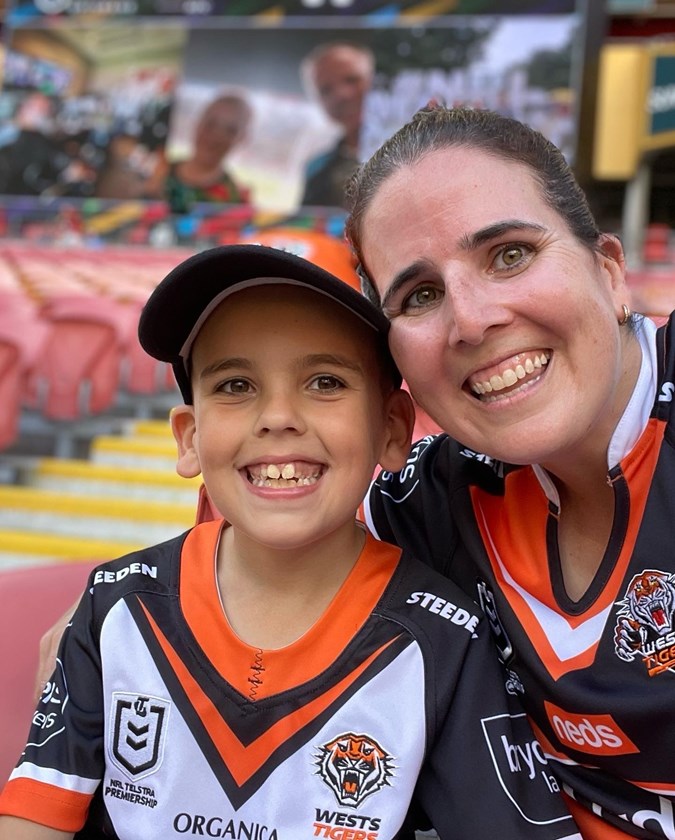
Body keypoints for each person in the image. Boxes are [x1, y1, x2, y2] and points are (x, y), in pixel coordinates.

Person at [0, 244, 581, 839]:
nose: (278, 416)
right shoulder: (115, 606)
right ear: (189, 437)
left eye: (325, 382)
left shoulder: (444, 639)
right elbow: (34, 818)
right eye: (236, 385)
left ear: (392, 430)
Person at [343, 104, 675, 840]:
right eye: (420, 295)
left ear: (609, 272)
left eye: (510, 254)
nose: (471, 320)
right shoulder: (430, 497)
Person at [147, 92, 253, 214]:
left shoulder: (235, 202)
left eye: (230, 131)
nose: (216, 136)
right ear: (197, 123)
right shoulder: (156, 172)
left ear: (242, 138)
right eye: (210, 124)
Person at [300, 42, 374, 209]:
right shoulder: (317, 172)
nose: (342, 95)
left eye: (352, 80)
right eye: (326, 90)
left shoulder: (423, 146)